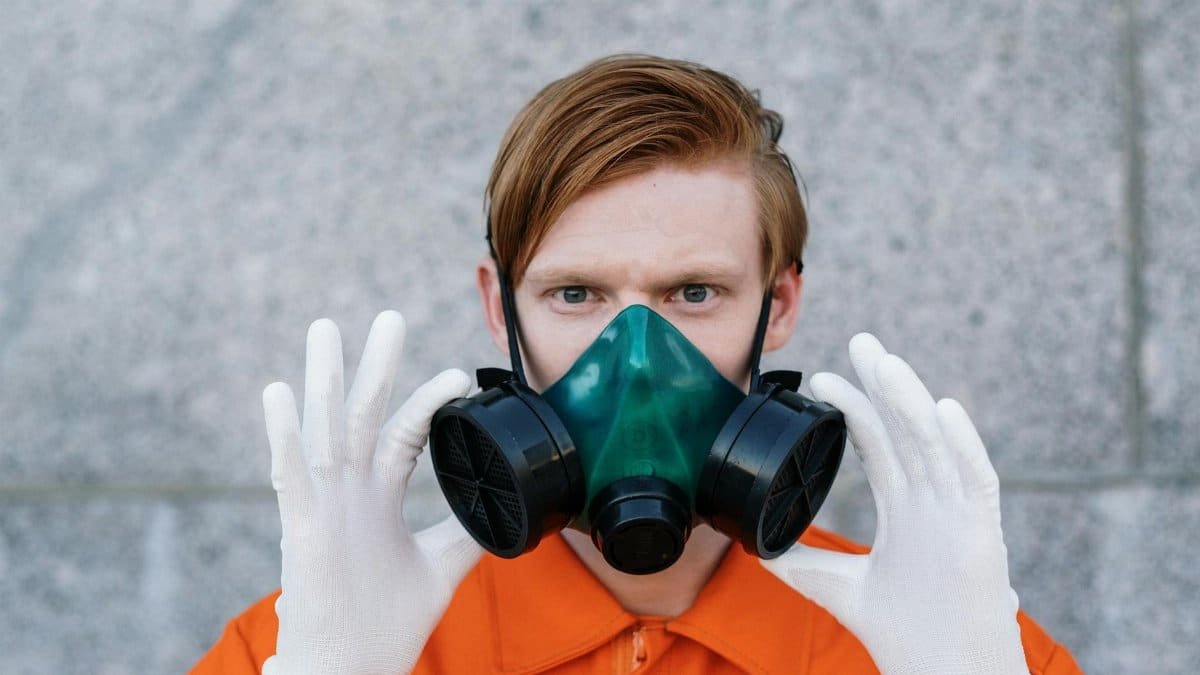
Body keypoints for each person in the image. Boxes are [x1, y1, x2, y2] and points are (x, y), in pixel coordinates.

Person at [193, 54, 1082, 674]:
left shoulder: (942, 636)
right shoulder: (316, 639)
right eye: (575, 294)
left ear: (777, 305)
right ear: (501, 307)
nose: (639, 363)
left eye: (694, 292)